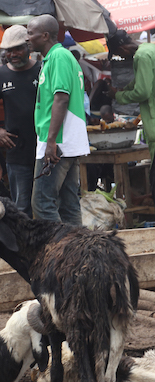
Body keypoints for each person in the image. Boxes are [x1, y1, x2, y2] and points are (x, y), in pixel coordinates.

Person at [106, 30, 155, 225]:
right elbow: (138, 82)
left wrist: (118, 96)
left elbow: (143, 90)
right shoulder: (152, 49)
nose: (121, 58)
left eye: (119, 55)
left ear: (122, 49)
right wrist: (124, 89)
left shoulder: (141, 56)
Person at [26, 15, 90, 225]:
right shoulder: (54, 58)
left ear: (44, 36)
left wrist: (51, 142)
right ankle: (77, 254)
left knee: (42, 203)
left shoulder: (59, 57)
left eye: (30, 33)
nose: (27, 38)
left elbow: (61, 98)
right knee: (68, 204)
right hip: (64, 141)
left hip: (58, 141)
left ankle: (60, 254)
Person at [0, 25, 41, 217]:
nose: (13, 54)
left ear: (29, 47)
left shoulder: (42, 70)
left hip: (44, 150)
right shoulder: (2, 74)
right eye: (9, 50)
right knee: (21, 208)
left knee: (46, 205)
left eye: (18, 49)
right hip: (17, 152)